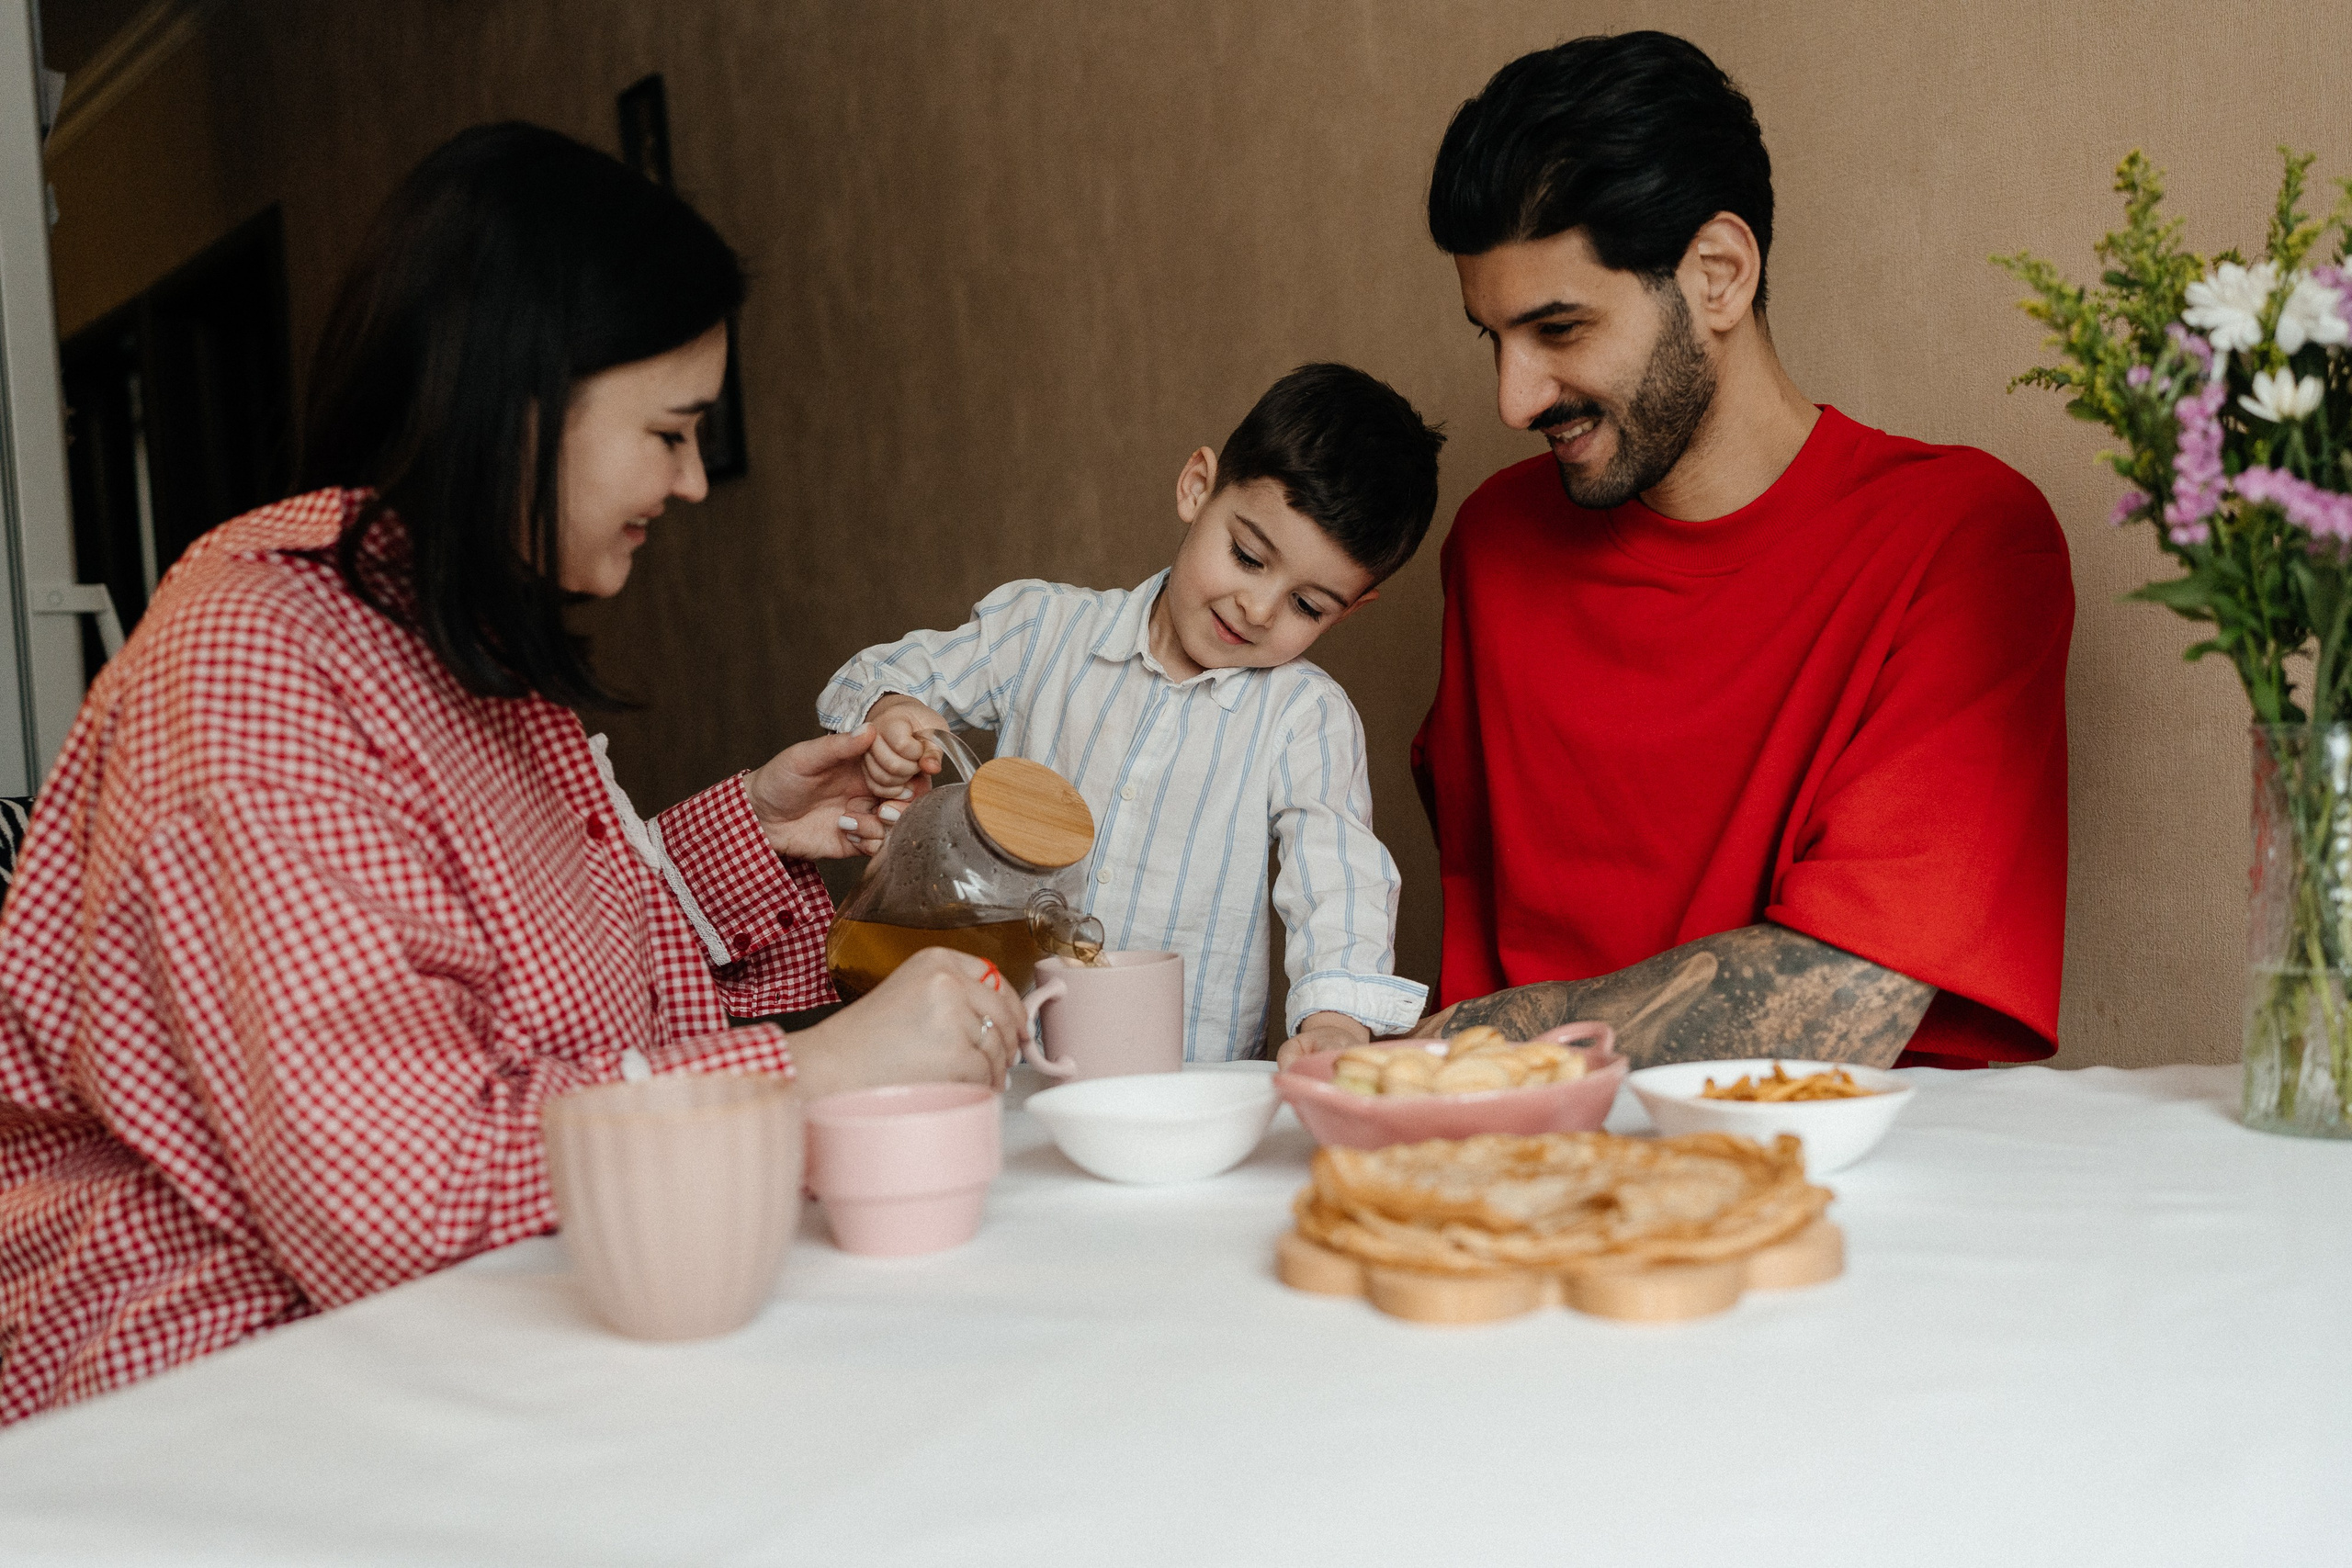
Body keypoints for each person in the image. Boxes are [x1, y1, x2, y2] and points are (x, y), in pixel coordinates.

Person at [0, 124, 1029, 1425]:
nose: (692, 482)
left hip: (456, 1316)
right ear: (520, 402)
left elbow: (570, 1006)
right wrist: (820, 1069)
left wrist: (756, 830)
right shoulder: (253, 660)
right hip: (216, 1380)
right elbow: (398, 1184)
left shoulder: (465, 648)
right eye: (668, 431)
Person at [1391, 32, 2071, 1070]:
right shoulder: (1491, 545)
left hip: (1827, 1154)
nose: (1514, 399)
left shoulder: (1963, 540)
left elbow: (1845, 992)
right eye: (1494, 338)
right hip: (1510, 1146)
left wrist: (1482, 1040)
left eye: (1559, 329)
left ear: (1718, 273)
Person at [820, 364, 1445, 1063]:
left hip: (1183, 1086)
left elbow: (1339, 881)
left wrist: (1335, 1023)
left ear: (1348, 611)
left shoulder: (1305, 717)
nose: (1258, 609)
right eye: (1247, 556)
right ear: (1197, 487)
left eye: (1307, 605)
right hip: (1003, 1068)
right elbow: (872, 677)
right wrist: (894, 714)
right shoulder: (1043, 631)